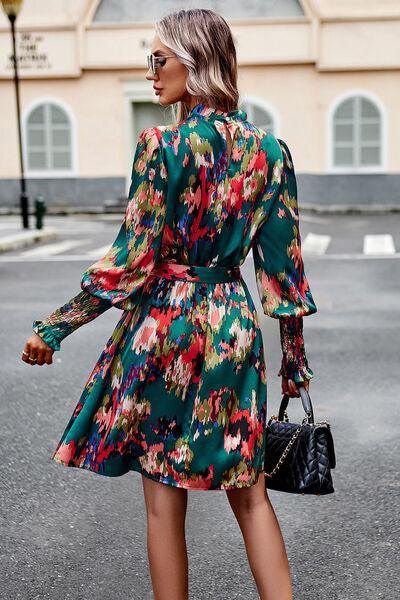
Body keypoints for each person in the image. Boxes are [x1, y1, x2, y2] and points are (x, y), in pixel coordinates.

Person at [21, 9, 317, 600]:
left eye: (160, 59)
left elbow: (132, 260)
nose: (151, 72)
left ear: (196, 63)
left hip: (169, 325)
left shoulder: (162, 145)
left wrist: (55, 327)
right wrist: (294, 358)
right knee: (251, 492)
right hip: (233, 323)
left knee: (163, 501)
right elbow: (283, 270)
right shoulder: (269, 150)